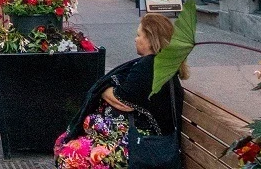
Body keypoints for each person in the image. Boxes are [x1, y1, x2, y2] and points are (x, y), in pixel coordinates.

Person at [55, 13, 187, 167]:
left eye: (139, 35)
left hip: (143, 146)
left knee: (69, 155)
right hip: (148, 141)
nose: (135, 39)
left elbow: (123, 101)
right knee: (69, 144)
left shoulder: (150, 66)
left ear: (151, 40)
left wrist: (103, 89)